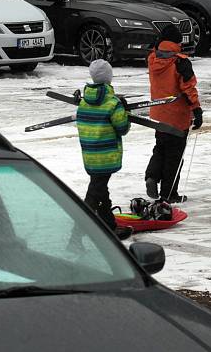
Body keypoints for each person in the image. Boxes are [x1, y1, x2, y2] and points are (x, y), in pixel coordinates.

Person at [145, 25, 203, 203]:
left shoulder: (153, 58)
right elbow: (188, 88)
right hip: (177, 117)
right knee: (174, 157)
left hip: (158, 114)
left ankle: (152, 176)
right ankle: (169, 194)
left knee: (160, 148)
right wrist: (197, 109)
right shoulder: (180, 62)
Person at [76, 59, 133, 240]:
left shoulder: (84, 102)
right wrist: (124, 110)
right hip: (106, 155)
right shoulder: (112, 102)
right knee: (94, 193)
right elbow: (122, 128)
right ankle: (76, 234)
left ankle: (109, 226)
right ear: (109, 78)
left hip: (90, 155)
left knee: (100, 189)